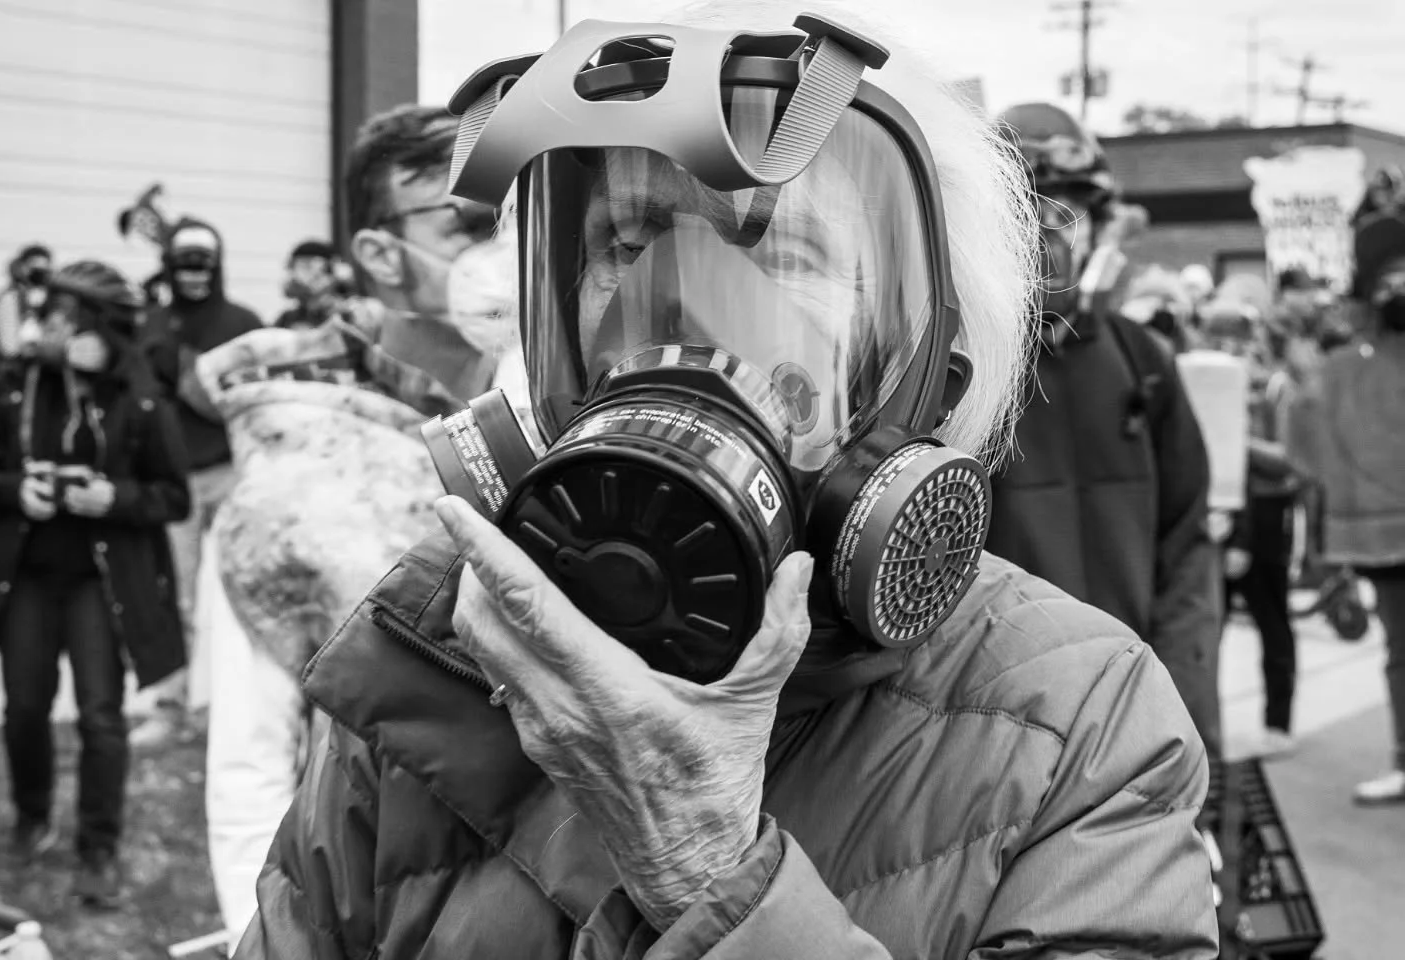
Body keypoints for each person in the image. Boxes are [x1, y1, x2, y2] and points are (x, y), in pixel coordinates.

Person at [236, 6, 1217, 958]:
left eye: (780, 253)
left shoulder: (1083, 727)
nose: (681, 302)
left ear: (927, 364)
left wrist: (709, 872)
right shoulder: (439, 649)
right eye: (625, 243)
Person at [197, 106, 519, 951]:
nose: (504, 256)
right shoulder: (290, 463)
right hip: (379, 902)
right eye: (472, 226)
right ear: (380, 253)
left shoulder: (551, 417)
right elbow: (251, 769)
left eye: (516, 218)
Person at [986, 102, 1222, 819]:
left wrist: (1187, 714)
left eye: (1073, 209)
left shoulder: (1141, 361)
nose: (1053, 232)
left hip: (1139, 717)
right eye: (1028, 208)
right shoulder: (959, 371)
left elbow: (1187, 552)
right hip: (1005, 743)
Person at [0, 261, 190, 906]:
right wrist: (16, 491)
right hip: (27, 576)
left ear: (96, 325)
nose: (48, 323)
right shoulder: (13, 381)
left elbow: (172, 496)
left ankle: (99, 848)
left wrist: (113, 497)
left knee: (100, 716)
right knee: (25, 707)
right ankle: (32, 817)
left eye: (64, 313)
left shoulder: (138, 394)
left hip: (100, 581)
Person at [135, 217, 262, 745]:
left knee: (243, 591)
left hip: (234, 471)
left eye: (202, 266)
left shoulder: (243, 320)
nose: (193, 277)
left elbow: (254, 394)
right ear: (169, 267)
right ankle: (171, 707)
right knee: (178, 597)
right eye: (183, 266)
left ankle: (246, 709)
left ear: (217, 266)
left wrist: (190, 371)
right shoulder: (153, 323)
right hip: (175, 481)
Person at [1295, 208, 1405, 804]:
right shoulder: (1345, 365)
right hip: (1385, 540)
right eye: (1391, 278)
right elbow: (1308, 445)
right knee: (1402, 652)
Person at [1198, 301, 1303, 757]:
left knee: (1271, 619)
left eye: (1237, 342)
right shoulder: (1201, 379)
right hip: (1217, 512)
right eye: (1218, 341)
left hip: (1264, 511)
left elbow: (1289, 460)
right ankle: (1205, 728)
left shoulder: (1274, 386)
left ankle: (1278, 723)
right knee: (1207, 625)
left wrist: (1232, 437)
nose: (1229, 351)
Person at [0, 245, 53, 384]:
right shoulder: (6, 300)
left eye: (43, 269)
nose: (38, 274)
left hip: (40, 378)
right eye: (34, 268)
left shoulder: (51, 302)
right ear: (22, 267)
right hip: (7, 378)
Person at [274, 240, 352, 330]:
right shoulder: (287, 318)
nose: (296, 276)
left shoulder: (347, 315)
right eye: (294, 267)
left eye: (306, 266)